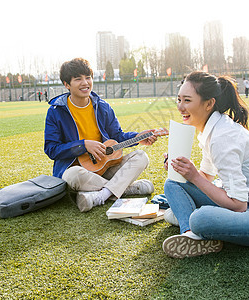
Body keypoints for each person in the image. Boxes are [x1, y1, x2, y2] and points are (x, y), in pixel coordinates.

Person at [161, 71, 249, 258]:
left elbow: (238, 205)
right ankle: (189, 235)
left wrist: (193, 176)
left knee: (200, 219)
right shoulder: (210, 130)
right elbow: (207, 177)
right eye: (179, 100)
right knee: (173, 183)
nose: (180, 107)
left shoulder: (222, 137)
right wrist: (183, 172)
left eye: (187, 100)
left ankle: (194, 226)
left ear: (209, 103)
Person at [44, 58, 162, 212]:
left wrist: (138, 137)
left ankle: (100, 195)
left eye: (88, 77)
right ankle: (126, 188)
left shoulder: (103, 107)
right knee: (72, 176)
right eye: (78, 79)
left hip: (106, 167)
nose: (85, 83)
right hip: (78, 170)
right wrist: (83, 145)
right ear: (67, 84)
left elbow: (117, 136)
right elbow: (52, 149)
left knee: (141, 157)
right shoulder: (55, 111)